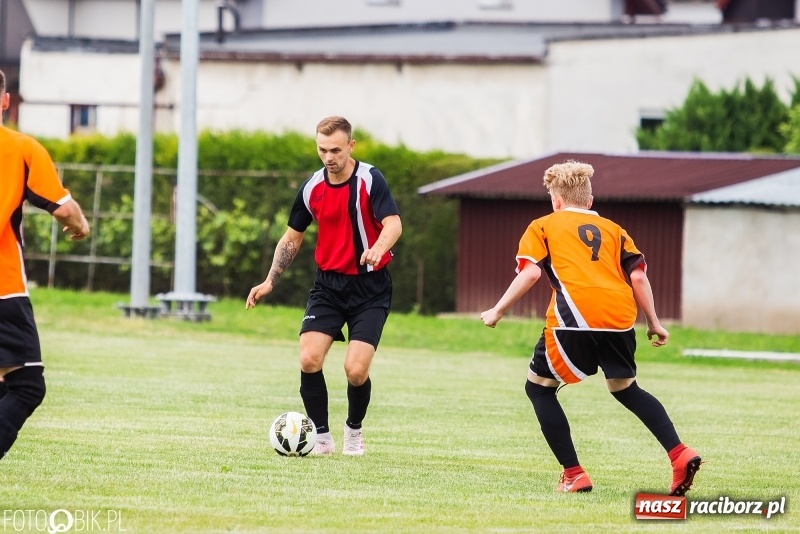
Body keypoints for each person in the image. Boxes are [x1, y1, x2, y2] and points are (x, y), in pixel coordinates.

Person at [480, 160, 700, 495]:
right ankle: (679, 453)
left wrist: (497, 310)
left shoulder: (543, 225)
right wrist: (653, 322)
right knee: (626, 389)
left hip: (574, 318)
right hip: (620, 317)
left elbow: (531, 273)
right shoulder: (615, 230)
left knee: (538, 389)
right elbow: (638, 276)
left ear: (556, 200)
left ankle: (573, 474)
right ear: (590, 199)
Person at [246, 116, 401, 456]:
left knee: (356, 370)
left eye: (335, 149)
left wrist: (376, 248)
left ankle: (354, 431)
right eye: (322, 149)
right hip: (328, 286)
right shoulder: (312, 187)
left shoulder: (370, 180)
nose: (329, 157)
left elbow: (393, 223)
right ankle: (322, 438)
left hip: (370, 287)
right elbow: (292, 238)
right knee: (308, 359)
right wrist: (270, 280)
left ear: (351, 146)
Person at [0, 69, 91, 460]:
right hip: (4, 288)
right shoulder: (20, 148)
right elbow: (64, 209)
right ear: (5, 101)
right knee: (26, 386)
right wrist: (81, 226)